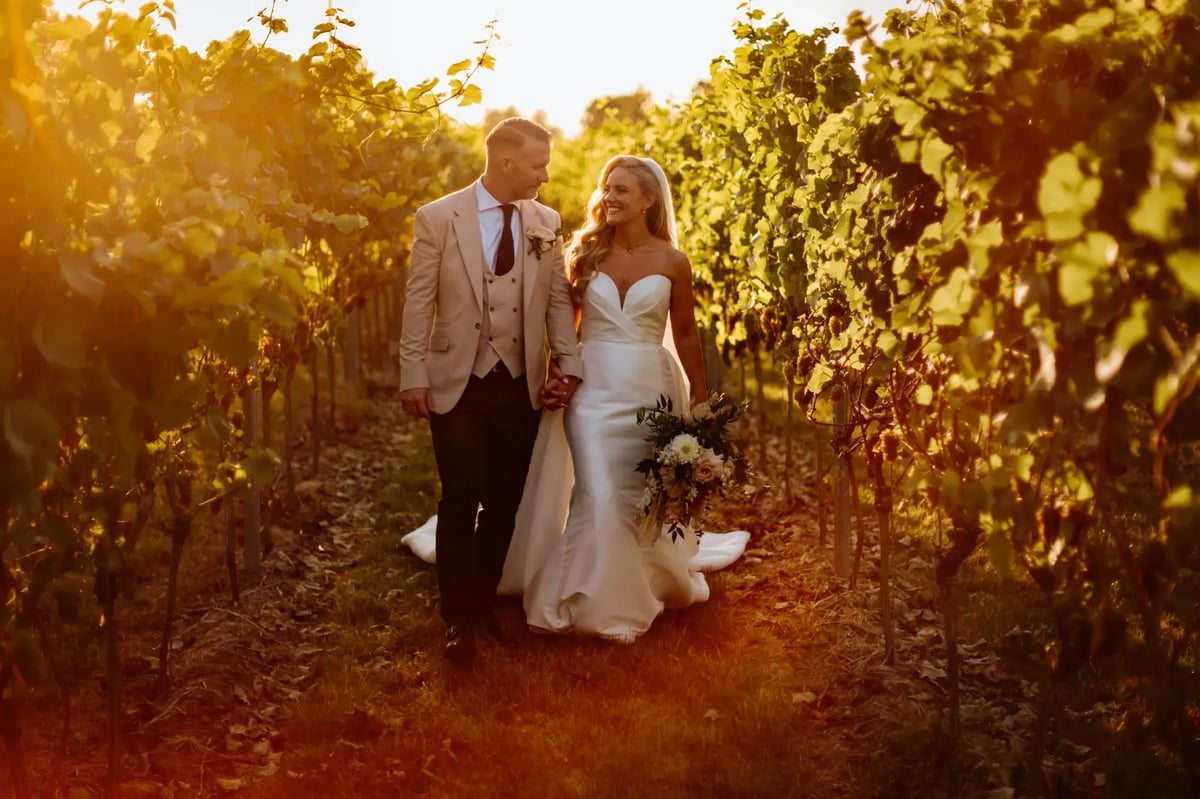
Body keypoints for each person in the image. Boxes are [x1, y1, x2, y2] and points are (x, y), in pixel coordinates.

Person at [403, 154, 749, 644]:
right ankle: (586, 596)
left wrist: (698, 396)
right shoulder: (586, 253)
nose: (609, 197)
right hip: (592, 388)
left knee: (635, 493)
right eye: (607, 187)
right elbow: (563, 325)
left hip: (650, 388)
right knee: (598, 490)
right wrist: (559, 373)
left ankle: (636, 585)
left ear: (649, 200)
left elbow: (687, 334)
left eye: (622, 190)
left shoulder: (674, 262)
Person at [398, 117, 583, 663]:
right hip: (456, 378)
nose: (544, 176)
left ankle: (481, 605)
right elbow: (418, 300)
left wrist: (566, 364)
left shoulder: (545, 222)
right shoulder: (438, 217)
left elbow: (556, 301)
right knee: (460, 494)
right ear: (506, 162)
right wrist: (413, 373)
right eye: (537, 165)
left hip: (520, 381)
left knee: (504, 501)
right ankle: (458, 619)